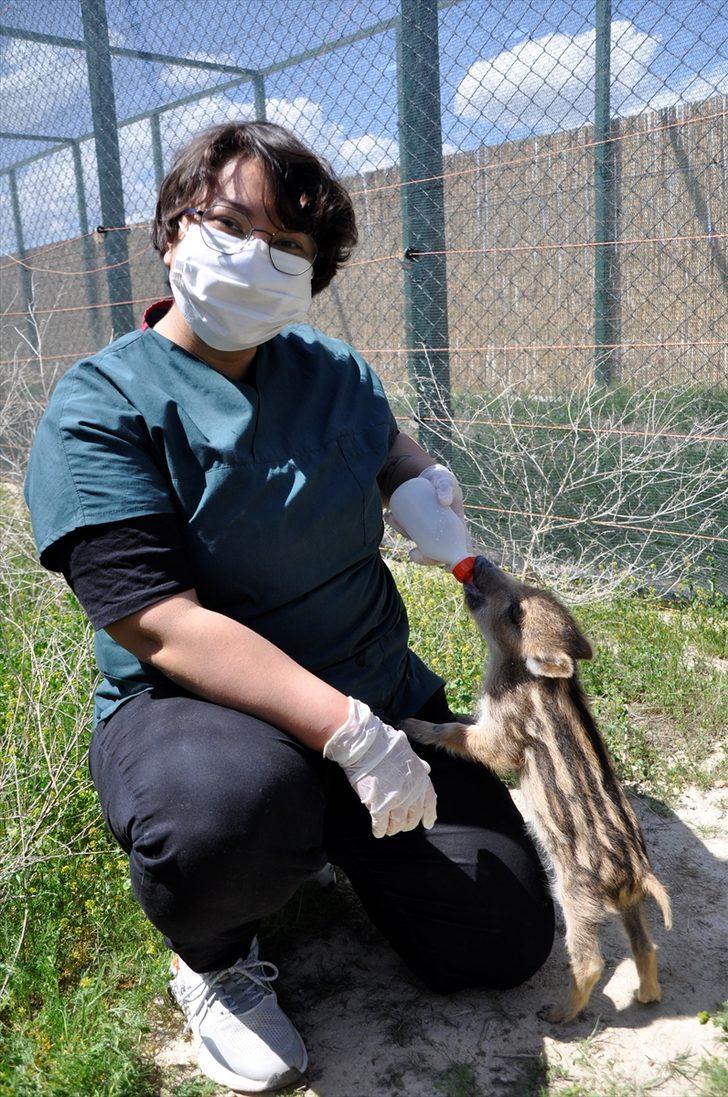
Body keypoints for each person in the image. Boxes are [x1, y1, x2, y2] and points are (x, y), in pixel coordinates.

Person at [24, 122, 554, 1094]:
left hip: (378, 694)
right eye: (230, 224)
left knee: (502, 941)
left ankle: (327, 835)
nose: (255, 256)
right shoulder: (103, 404)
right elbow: (158, 622)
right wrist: (344, 732)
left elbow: (384, 446)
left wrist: (424, 488)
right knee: (227, 814)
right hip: (201, 719)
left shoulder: (330, 370)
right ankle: (213, 954)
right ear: (172, 230)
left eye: (288, 245)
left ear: (312, 272)